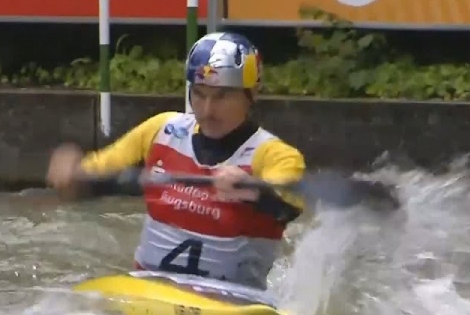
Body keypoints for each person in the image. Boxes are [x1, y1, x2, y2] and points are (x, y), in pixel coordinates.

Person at [46, 31, 309, 290]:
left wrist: (253, 190)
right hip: (151, 292)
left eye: (222, 96)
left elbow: (289, 206)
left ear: (252, 93)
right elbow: (93, 176)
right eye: (199, 93)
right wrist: (73, 174)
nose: (207, 110)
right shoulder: (161, 130)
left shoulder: (276, 155)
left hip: (234, 303)